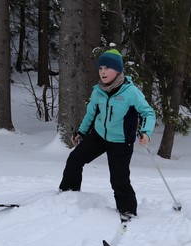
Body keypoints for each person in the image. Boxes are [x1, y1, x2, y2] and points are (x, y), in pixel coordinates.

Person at [59, 49, 156, 220]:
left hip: (120, 141)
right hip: (99, 136)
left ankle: (128, 210)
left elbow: (148, 112)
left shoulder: (130, 92)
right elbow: (90, 113)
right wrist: (81, 132)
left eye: (108, 68)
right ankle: (68, 194)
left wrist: (146, 132)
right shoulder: (98, 91)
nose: (103, 71)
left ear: (118, 70)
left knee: (119, 178)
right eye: (101, 68)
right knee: (75, 159)